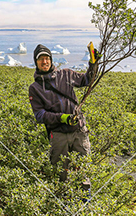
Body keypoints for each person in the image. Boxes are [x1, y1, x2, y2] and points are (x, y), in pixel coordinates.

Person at [28, 44, 99, 187]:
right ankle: (64, 203)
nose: (45, 62)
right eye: (41, 59)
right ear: (36, 62)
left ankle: (85, 203)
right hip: (58, 134)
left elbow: (87, 80)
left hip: (79, 131)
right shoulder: (35, 88)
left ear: (51, 59)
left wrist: (93, 64)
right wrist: (62, 118)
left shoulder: (66, 74)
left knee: (83, 172)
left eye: (47, 58)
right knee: (61, 174)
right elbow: (40, 115)